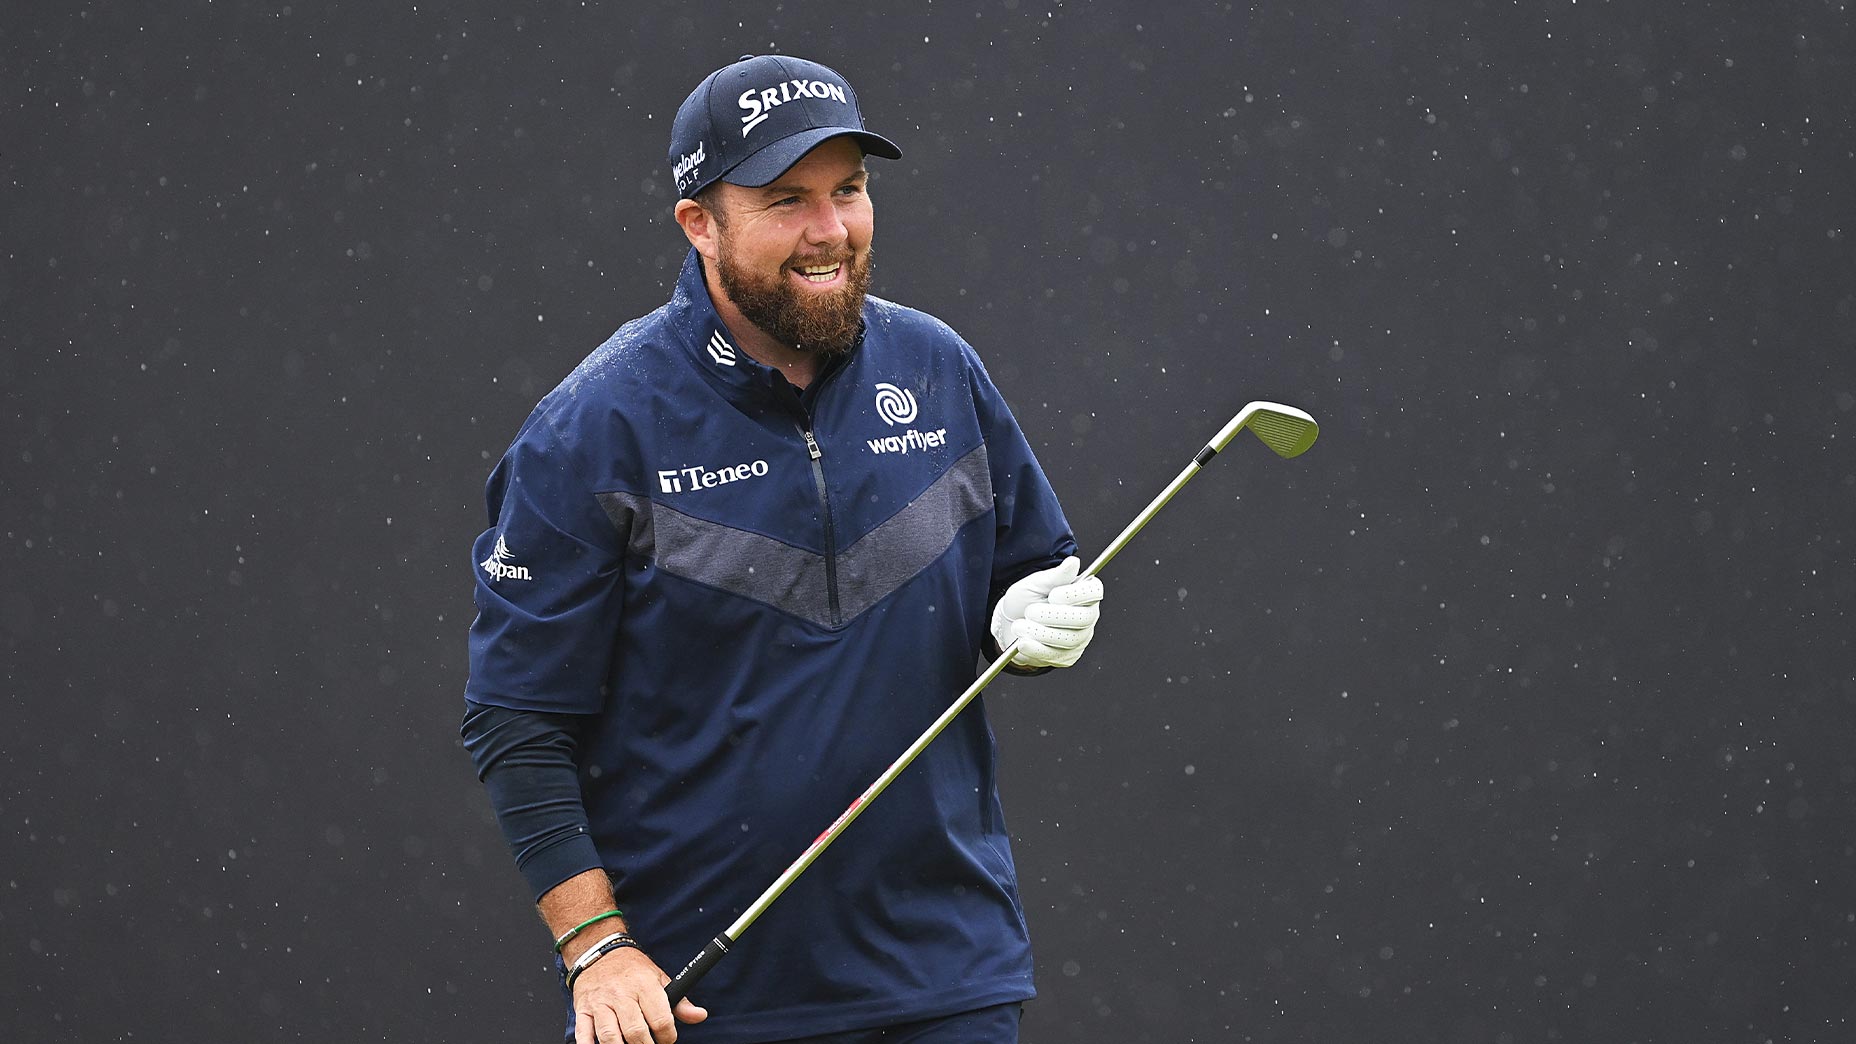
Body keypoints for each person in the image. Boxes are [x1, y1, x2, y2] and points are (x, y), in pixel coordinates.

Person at [461, 54, 1105, 1044]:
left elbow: (1031, 563)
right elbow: (516, 721)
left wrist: (1032, 612)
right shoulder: (593, 427)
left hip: (944, 980)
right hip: (700, 998)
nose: (829, 229)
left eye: (848, 189)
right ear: (697, 224)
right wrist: (596, 946)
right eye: (783, 200)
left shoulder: (937, 369)